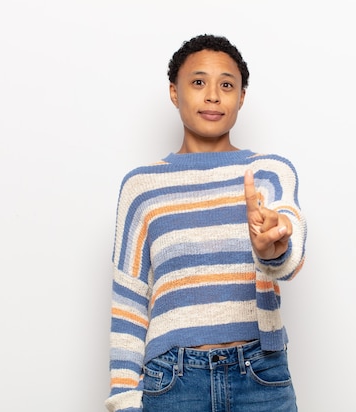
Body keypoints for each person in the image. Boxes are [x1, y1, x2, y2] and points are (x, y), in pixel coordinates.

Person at [105, 34, 307, 412]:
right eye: (198, 82)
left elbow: (289, 254)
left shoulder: (269, 171)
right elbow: (128, 301)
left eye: (227, 85)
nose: (213, 95)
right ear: (173, 91)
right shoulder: (141, 187)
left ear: (241, 97)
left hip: (261, 375)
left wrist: (273, 248)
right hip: (172, 382)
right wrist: (124, 400)